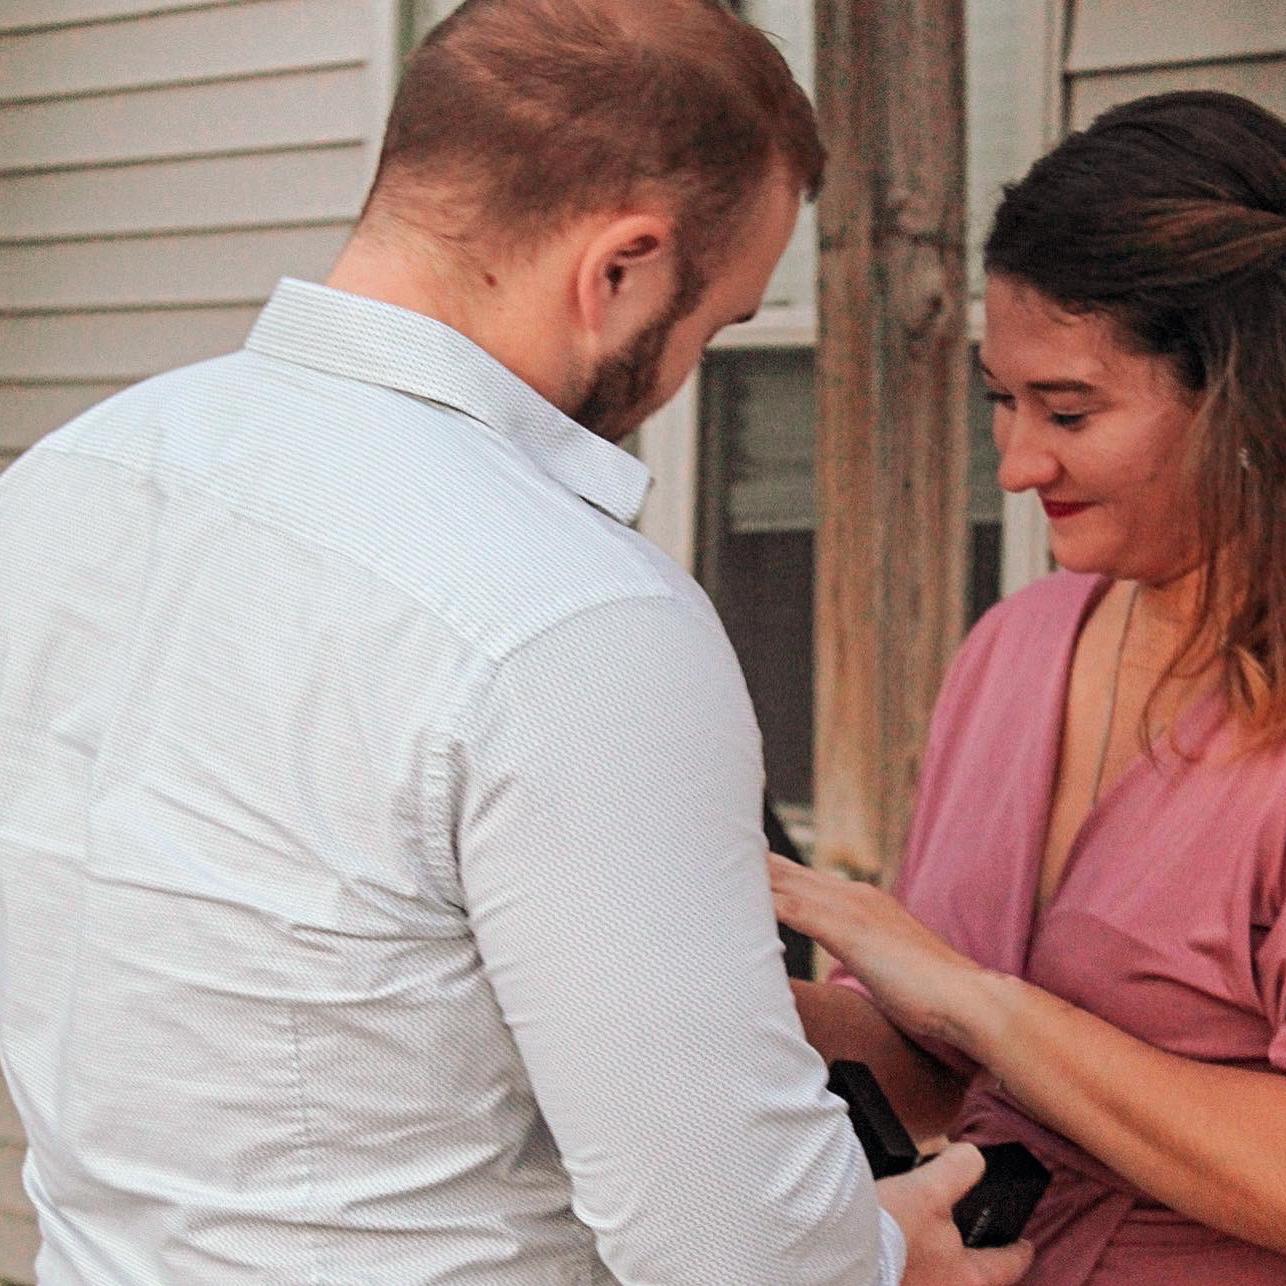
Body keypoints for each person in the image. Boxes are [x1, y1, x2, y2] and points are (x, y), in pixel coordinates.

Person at [0, 2, 1033, 1283]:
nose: (684, 373)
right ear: (623, 269)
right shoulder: (570, 617)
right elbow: (729, 1239)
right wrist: (889, 1255)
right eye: (712, 325)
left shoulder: (63, 483)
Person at [773, 89, 1286, 1284]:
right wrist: (687, 987)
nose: (1013, 465)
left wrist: (979, 1001)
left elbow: (964, 1011)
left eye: (1066, 410)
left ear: (1246, 392)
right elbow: (929, 1061)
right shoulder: (1015, 644)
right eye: (1000, 400)